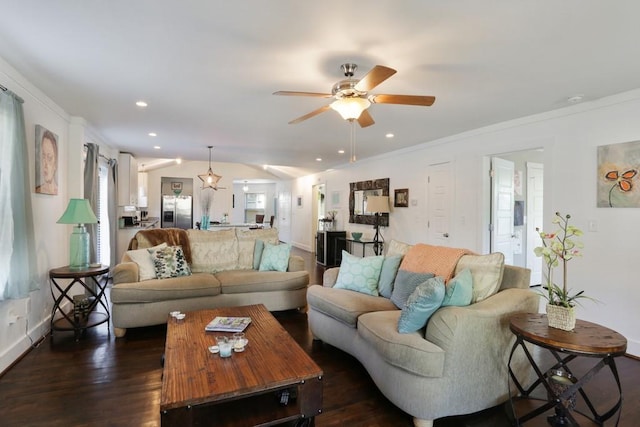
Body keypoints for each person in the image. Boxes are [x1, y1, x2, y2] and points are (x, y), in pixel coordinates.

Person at [36, 129, 58, 195]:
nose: (45, 164)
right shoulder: (37, 190)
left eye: (49, 157)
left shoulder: (58, 191)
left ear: (55, 163)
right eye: (43, 157)